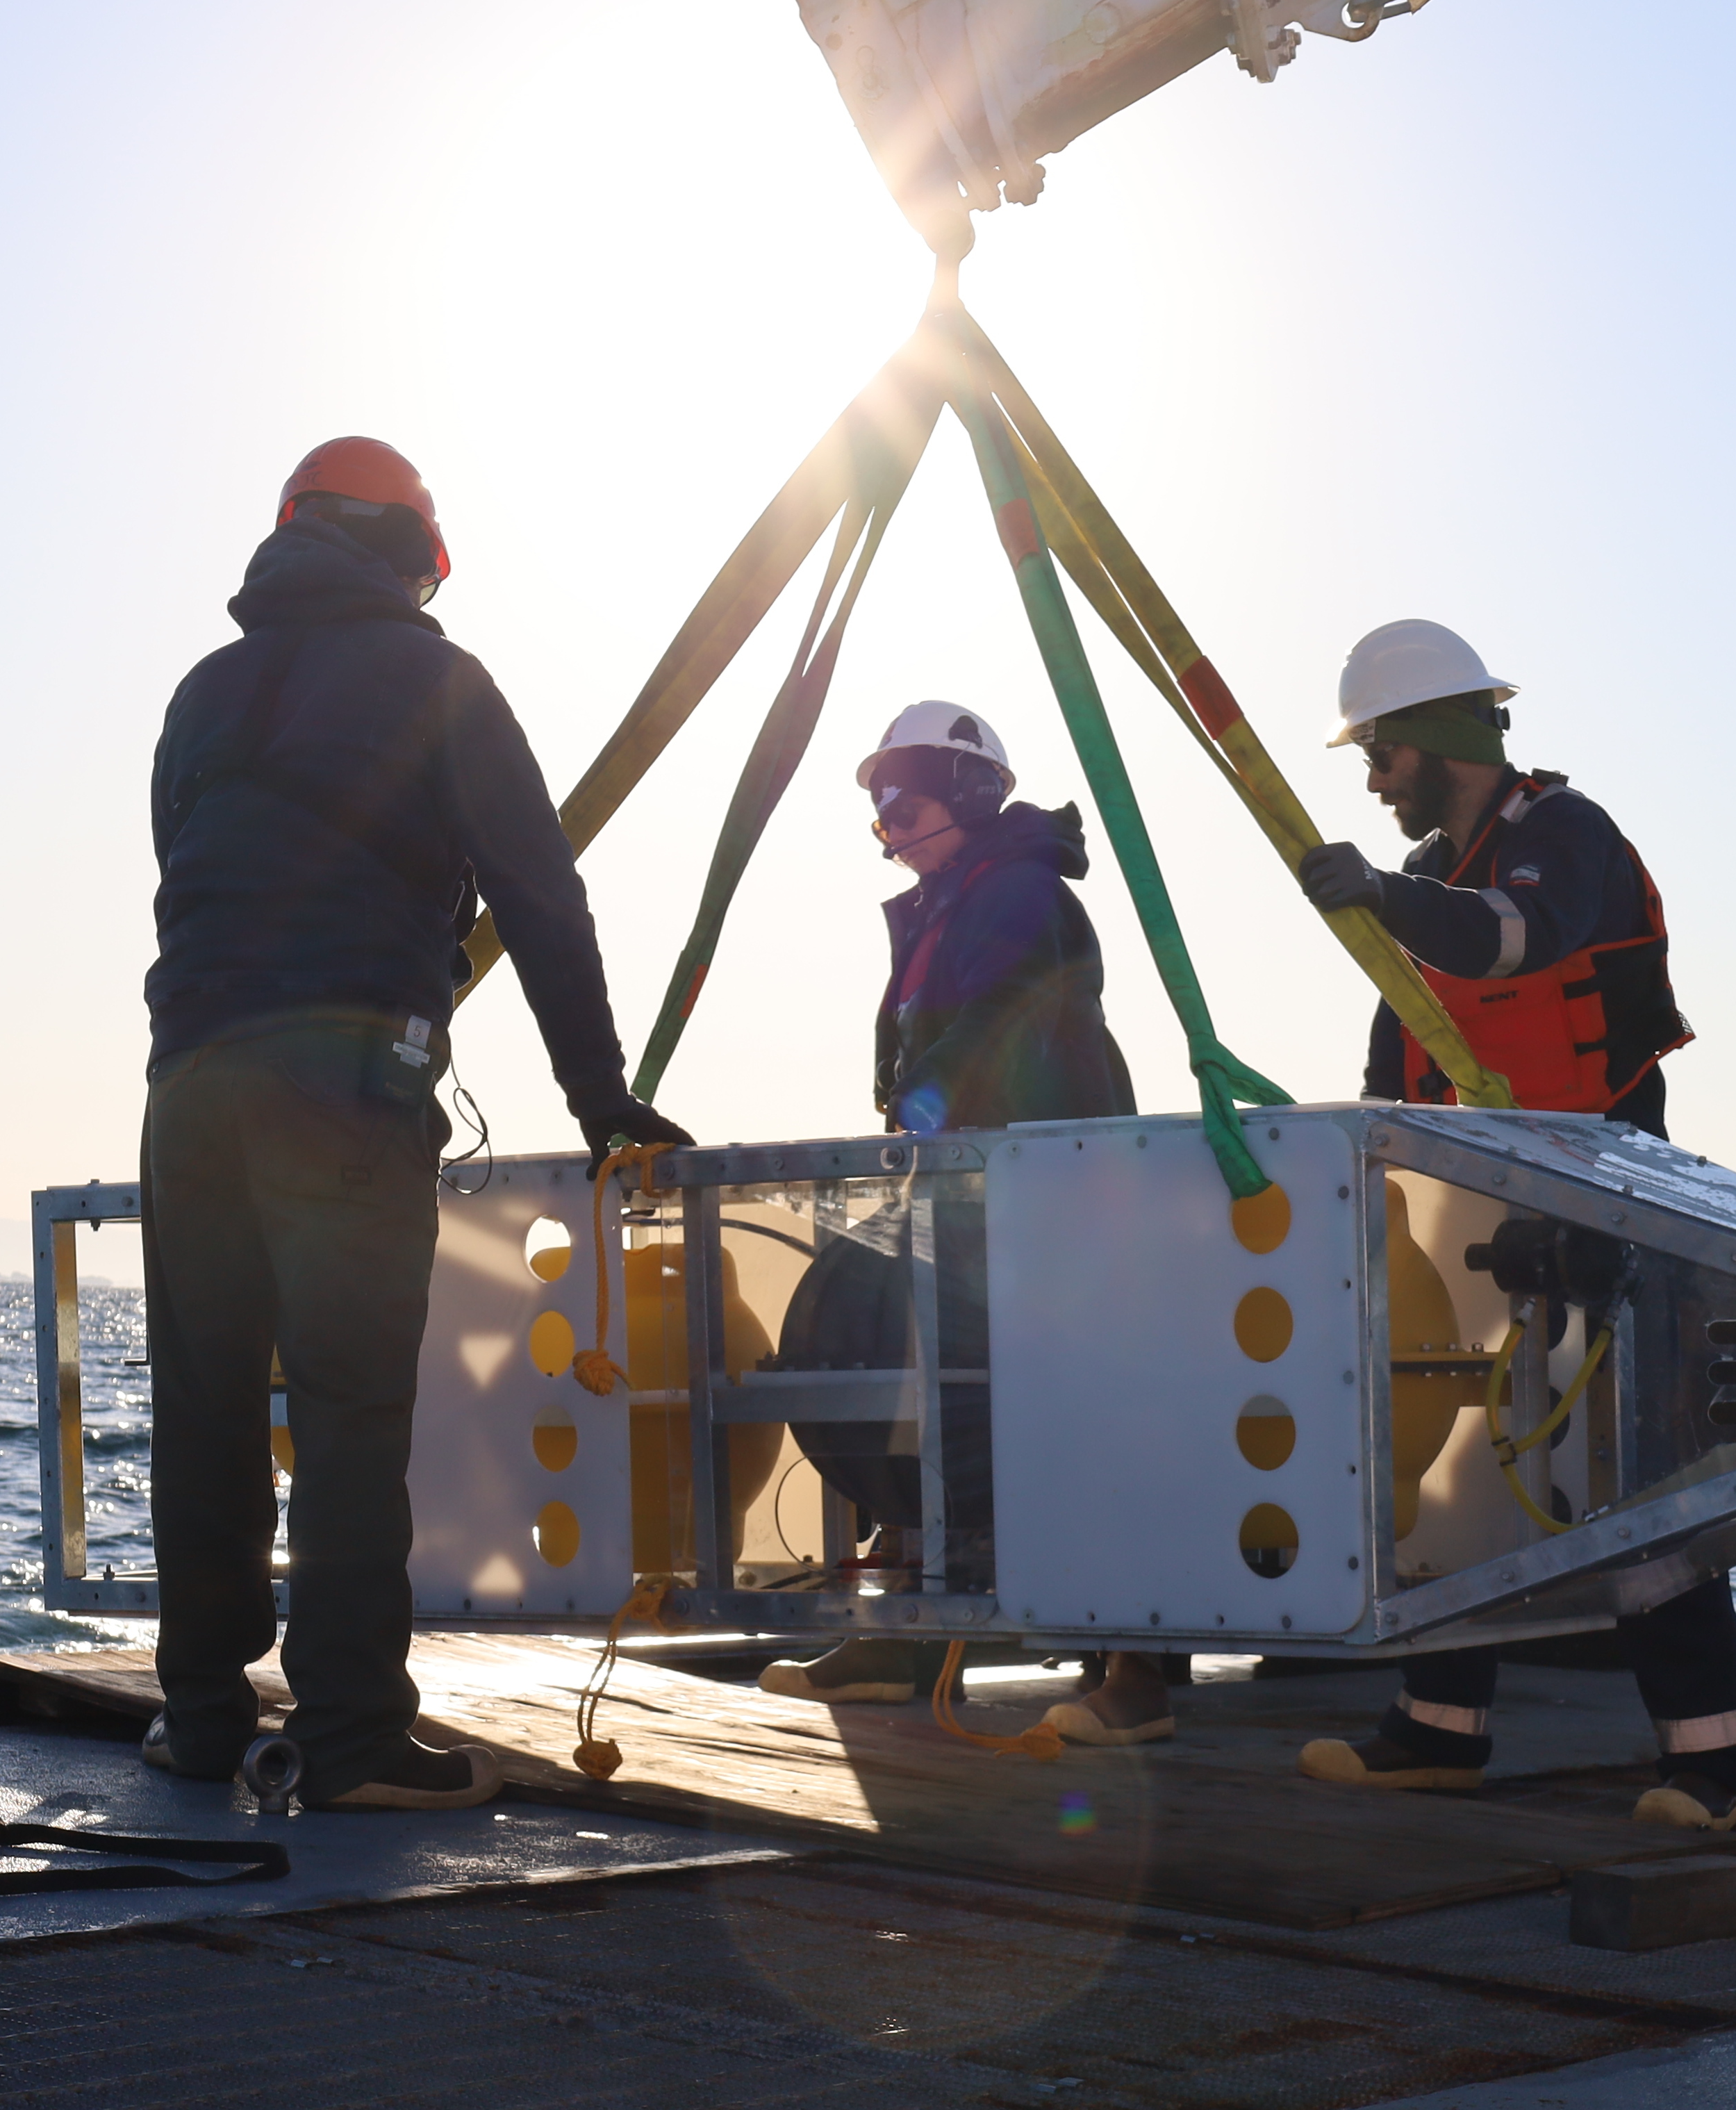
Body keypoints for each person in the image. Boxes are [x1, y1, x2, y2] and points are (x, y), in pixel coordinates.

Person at [142, 435, 688, 1808]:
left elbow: (188, 869)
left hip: (190, 1081)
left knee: (205, 1413)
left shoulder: (202, 694)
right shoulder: (440, 683)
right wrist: (601, 1099)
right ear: (408, 557)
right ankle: (353, 1744)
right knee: (346, 1413)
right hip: (346, 1085)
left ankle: (203, 1719)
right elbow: (542, 897)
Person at [1285, 619, 1736, 1832]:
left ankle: (1711, 1769)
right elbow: (1406, 1052)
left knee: (1630, 1479)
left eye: (1382, 754)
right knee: (1455, 1470)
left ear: (1436, 740)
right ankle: (1437, 1730)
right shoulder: (1452, 868)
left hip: (1600, 1205)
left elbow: (1515, 940)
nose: (1377, 780)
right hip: (1484, 1211)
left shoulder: (1562, 837)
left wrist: (1383, 895)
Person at [754, 701, 1174, 1739]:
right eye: (880, 810)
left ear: (973, 795)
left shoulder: (1017, 892)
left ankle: (1141, 1676)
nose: (886, 825)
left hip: (1048, 1195)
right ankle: (902, 1639)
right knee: (923, 1393)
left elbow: (1004, 1021)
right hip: (975, 1190)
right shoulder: (953, 902)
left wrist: (926, 1104)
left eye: (903, 802)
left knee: (1080, 1415)